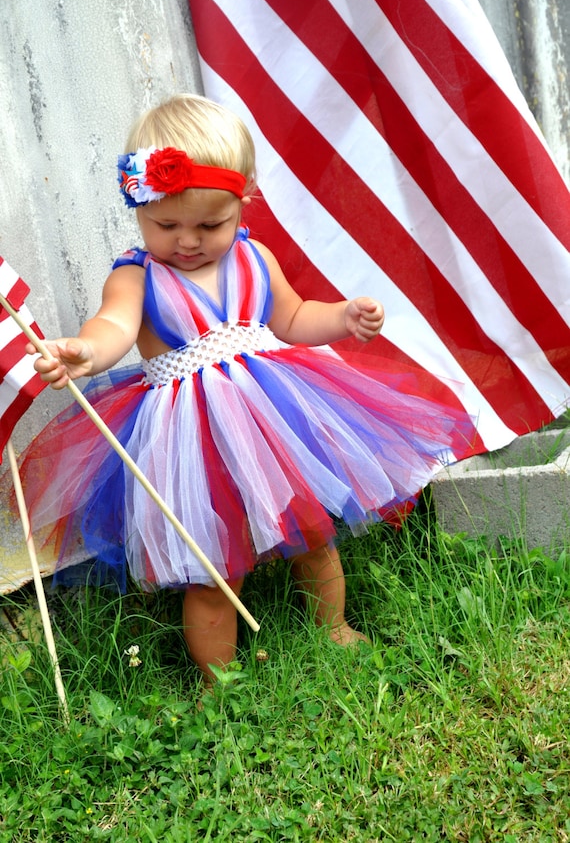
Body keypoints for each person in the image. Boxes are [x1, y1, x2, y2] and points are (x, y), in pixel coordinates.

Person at [20, 93, 475, 685]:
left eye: (210, 224)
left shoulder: (254, 257)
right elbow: (113, 326)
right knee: (212, 566)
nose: (188, 240)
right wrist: (84, 353)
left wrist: (341, 319)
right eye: (166, 225)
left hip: (273, 419)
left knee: (312, 532)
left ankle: (333, 628)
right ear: (138, 209)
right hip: (191, 440)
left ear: (244, 199)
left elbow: (289, 318)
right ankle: (221, 681)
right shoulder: (135, 275)